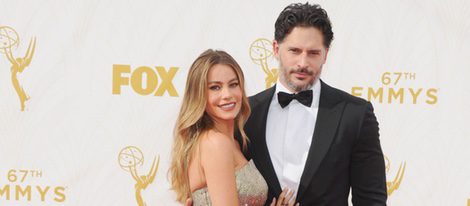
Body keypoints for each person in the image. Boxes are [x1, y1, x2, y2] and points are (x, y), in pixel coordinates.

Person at [240, 3, 387, 206]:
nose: (302, 62)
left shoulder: (355, 114)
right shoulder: (245, 113)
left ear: (325, 55)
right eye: (294, 50)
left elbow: (372, 200)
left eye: (313, 53)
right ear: (276, 49)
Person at [170, 49, 298, 206]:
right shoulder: (215, 143)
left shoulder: (235, 143)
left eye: (233, 85)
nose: (227, 94)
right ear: (199, 94)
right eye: (215, 87)